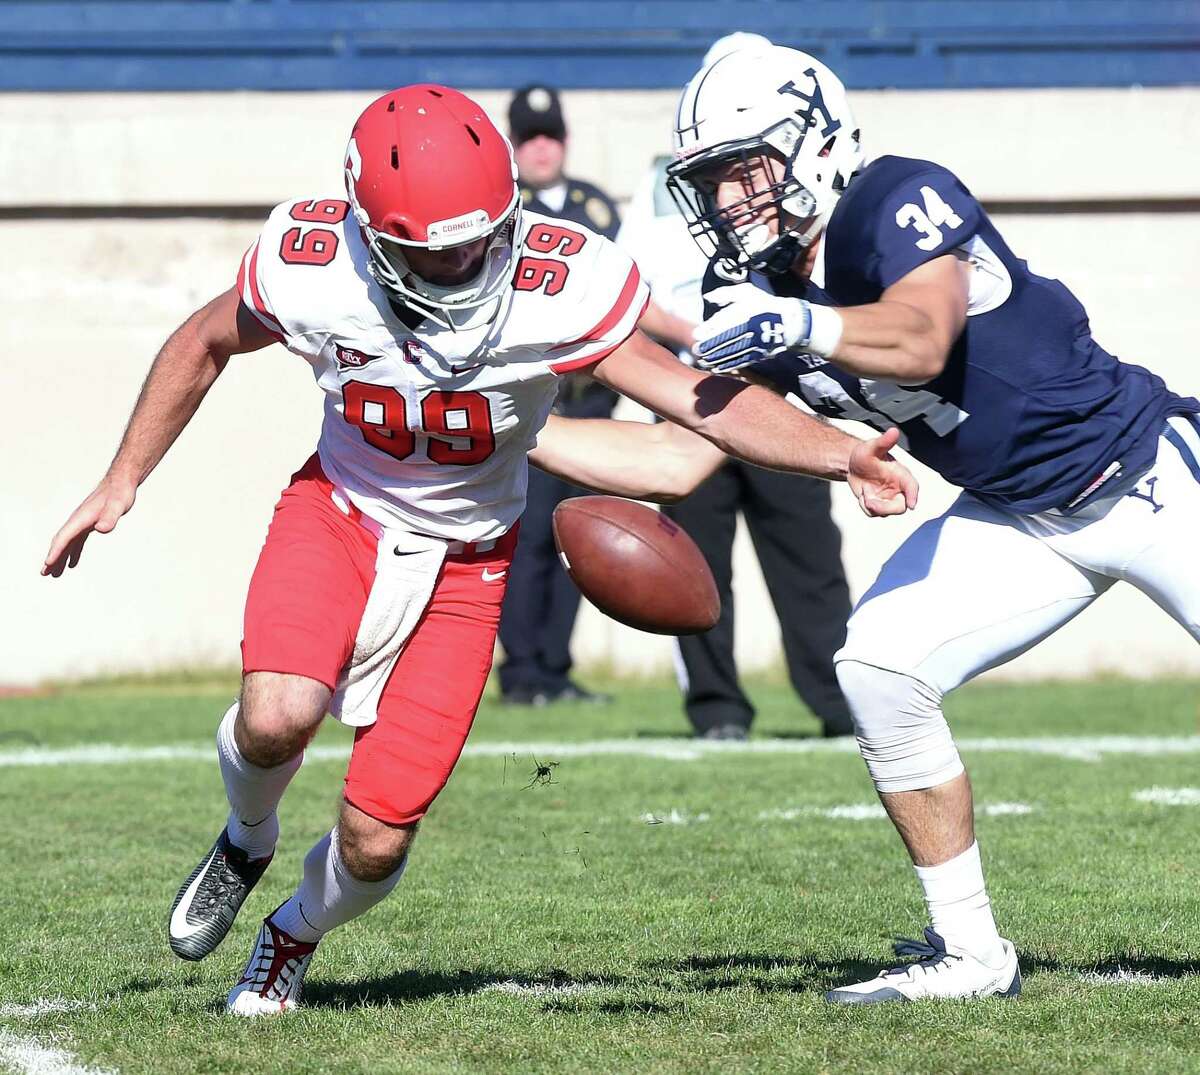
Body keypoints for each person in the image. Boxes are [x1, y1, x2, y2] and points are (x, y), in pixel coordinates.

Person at [42, 84, 917, 1016]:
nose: (468, 256)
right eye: (438, 246)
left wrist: (839, 451)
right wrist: (122, 476)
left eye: (483, 232)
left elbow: (691, 398)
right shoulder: (314, 261)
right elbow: (205, 339)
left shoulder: (560, 275)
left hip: (468, 559)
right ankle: (247, 836)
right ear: (374, 236)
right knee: (275, 716)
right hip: (339, 511)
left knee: (376, 841)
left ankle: (290, 932)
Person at [660, 43, 1200, 1002]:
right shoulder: (752, 293)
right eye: (712, 179)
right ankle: (971, 953)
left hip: (1146, 469)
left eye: (746, 169)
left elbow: (921, 337)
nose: (730, 199)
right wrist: (526, 429)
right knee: (878, 666)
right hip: (1019, 515)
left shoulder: (894, 198)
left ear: (813, 144)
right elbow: (698, 436)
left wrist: (804, 329)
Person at [618, 149, 854, 741]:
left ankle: (839, 701)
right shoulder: (660, 189)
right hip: (691, 397)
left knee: (809, 559)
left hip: (776, 397)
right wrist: (699, 335)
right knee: (694, 568)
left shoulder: (802, 197)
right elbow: (630, 294)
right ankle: (716, 707)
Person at [496, 84, 626, 705]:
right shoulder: (498, 209)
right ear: (514, 147)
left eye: (548, 137)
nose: (540, 149)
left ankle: (555, 666)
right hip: (532, 400)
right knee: (528, 539)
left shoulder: (594, 209)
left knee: (579, 536)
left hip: (591, 400)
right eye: (528, 139)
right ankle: (521, 672)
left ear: (565, 143)